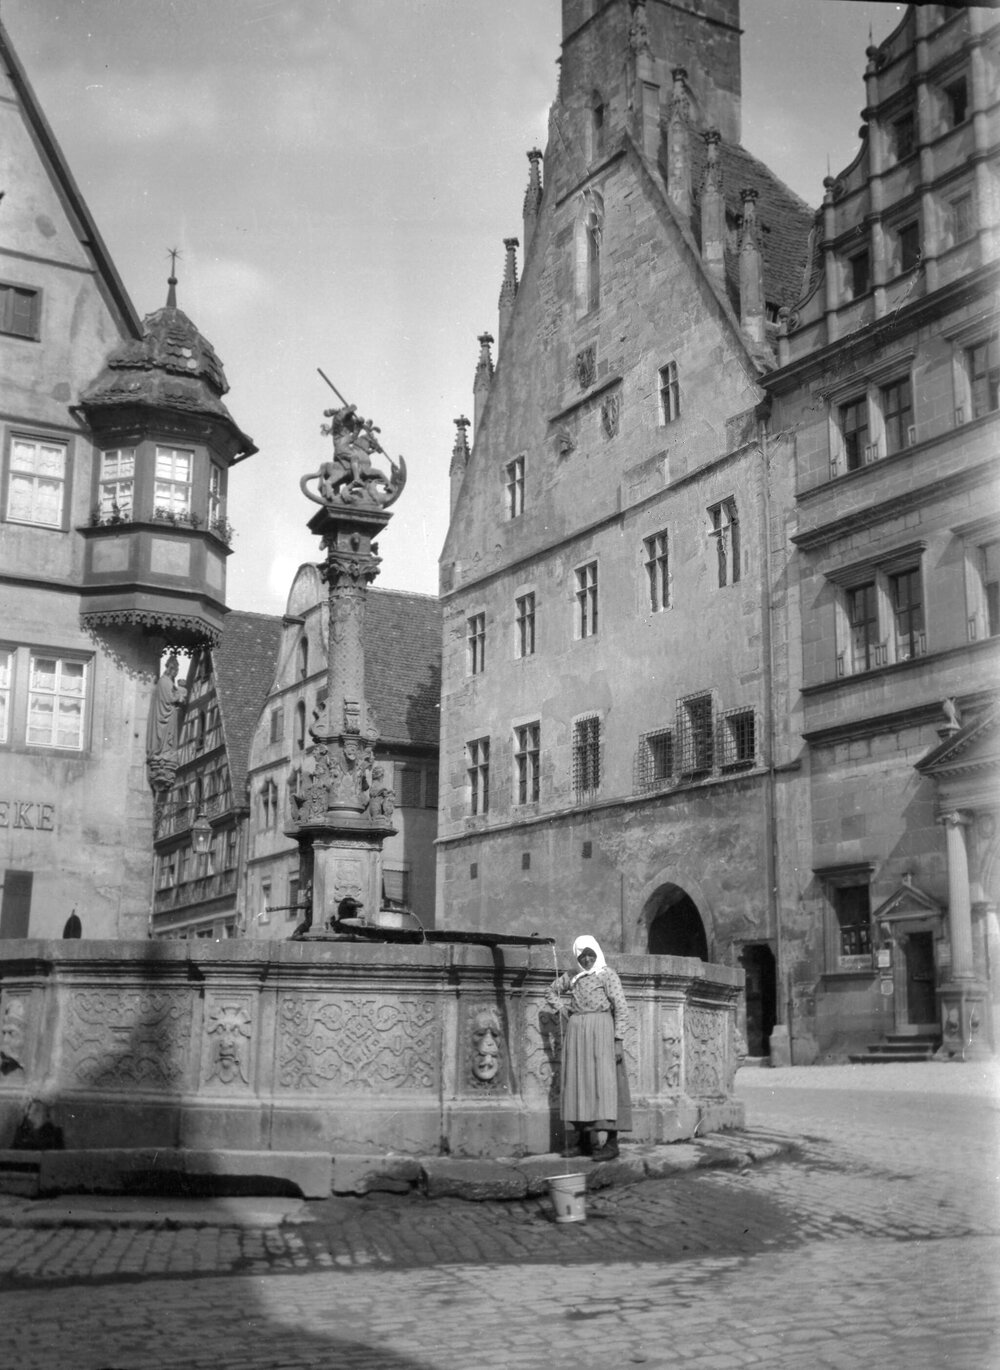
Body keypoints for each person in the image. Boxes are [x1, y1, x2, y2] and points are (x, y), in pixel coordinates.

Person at [545, 934, 631, 1161]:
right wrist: (564, 1011)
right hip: (576, 1034)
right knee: (579, 1083)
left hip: (602, 1031)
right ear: (577, 957)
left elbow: (621, 1007)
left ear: (597, 953)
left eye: (590, 954)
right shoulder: (572, 977)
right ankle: (583, 1143)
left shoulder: (607, 975)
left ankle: (611, 1144)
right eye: (582, 956)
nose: (586, 960)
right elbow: (550, 991)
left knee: (604, 1085)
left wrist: (618, 1040)